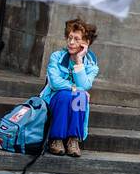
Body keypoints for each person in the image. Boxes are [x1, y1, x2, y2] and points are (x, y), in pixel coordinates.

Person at [40, 18, 99, 157]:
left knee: (81, 96)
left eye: (77, 39)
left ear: (86, 43)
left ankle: (73, 140)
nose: (71, 42)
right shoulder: (57, 57)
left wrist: (79, 60)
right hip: (53, 99)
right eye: (70, 38)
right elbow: (55, 83)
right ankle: (56, 139)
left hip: (74, 102)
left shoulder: (91, 66)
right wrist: (75, 88)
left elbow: (85, 86)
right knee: (70, 95)